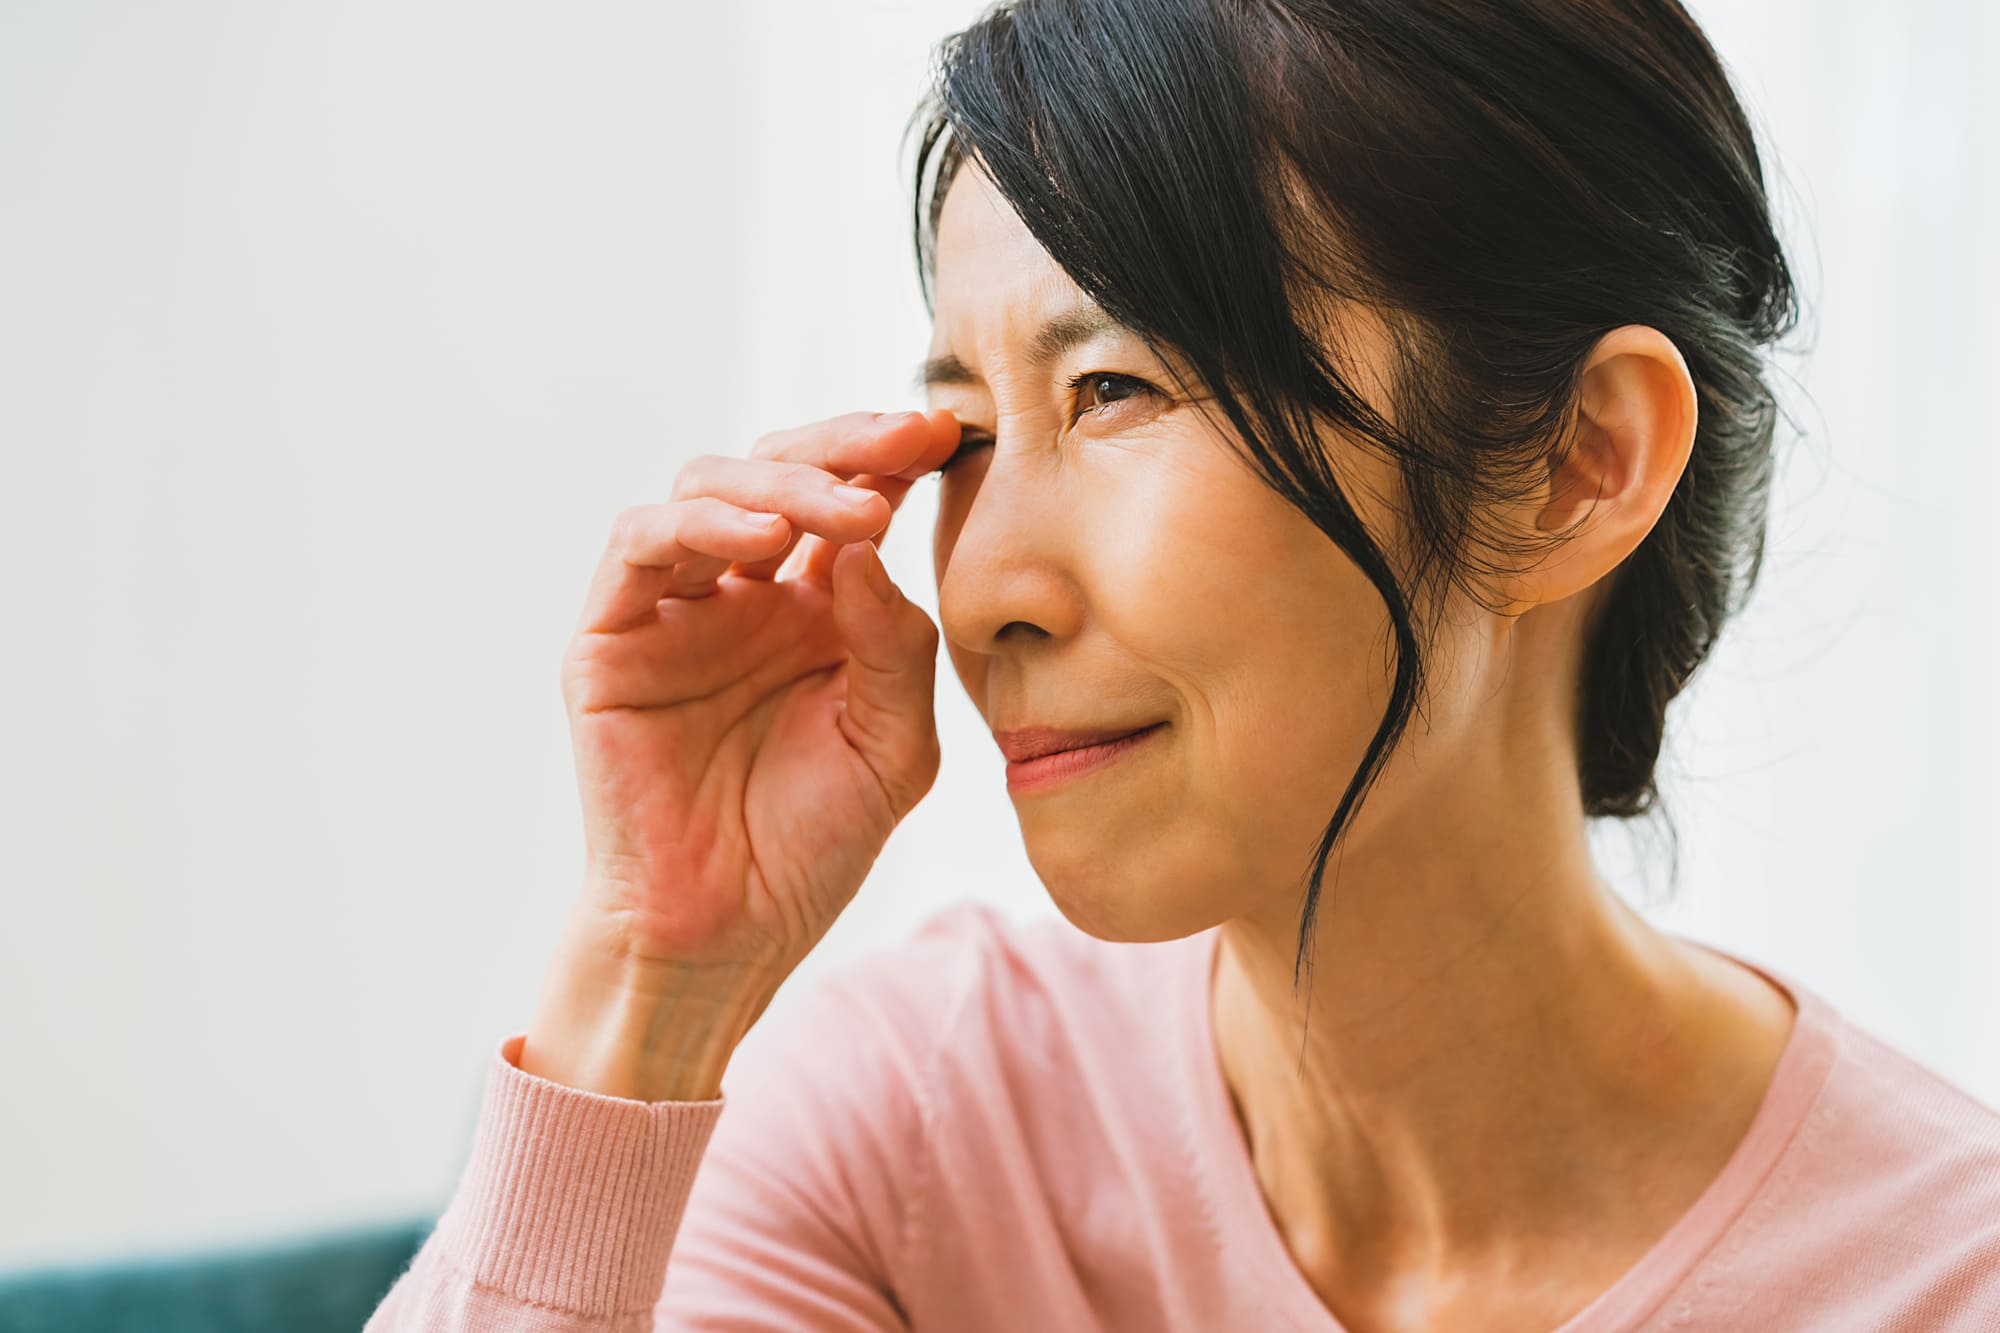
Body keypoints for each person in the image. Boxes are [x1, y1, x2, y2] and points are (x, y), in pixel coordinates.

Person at [366, 1, 2000, 1329]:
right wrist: (658, 980)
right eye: (974, 433)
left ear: (1580, 457)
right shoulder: (928, 1128)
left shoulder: (1938, 1277)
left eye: (1118, 390)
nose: (980, 588)